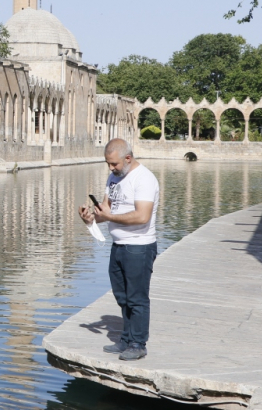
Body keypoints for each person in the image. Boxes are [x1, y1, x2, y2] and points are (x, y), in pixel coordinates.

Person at [79, 138, 159, 361]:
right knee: (122, 296)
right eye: (108, 164)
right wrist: (91, 217)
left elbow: (142, 216)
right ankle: (125, 339)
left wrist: (108, 216)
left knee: (137, 298)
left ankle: (138, 343)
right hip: (119, 245)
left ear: (128, 158)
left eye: (114, 164)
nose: (111, 168)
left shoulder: (144, 179)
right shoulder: (114, 178)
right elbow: (108, 210)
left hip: (139, 247)